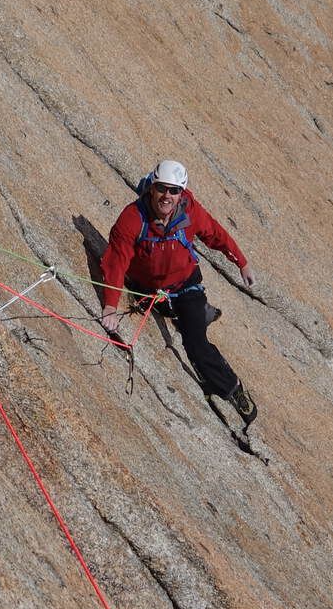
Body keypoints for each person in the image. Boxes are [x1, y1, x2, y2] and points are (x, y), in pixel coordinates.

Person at [97, 159, 258, 422]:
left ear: (181, 193)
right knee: (176, 315)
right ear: (152, 187)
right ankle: (196, 313)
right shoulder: (132, 218)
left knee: (194, 342)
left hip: (186, 286)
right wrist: (110, 306)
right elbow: (116, 261)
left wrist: (241, 262)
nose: (167, 196)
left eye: (174, 190)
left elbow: (215, 234)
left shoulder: (190, 212)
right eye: (162, 188)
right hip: (148, 289)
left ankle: (231, 388)